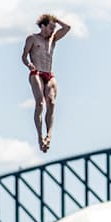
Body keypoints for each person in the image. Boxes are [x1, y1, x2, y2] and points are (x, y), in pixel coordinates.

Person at [22, 13, 71, 152]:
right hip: (36, 72)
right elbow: (24, 56)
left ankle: (49, 136)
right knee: (40, 103)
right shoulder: (32, 38)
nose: (53, 30)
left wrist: (56, 20)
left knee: (51, 102)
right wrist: (29, 65)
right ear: (42, 26)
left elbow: (67, 28)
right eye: (51, 27)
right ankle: (40, 137)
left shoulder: (53, 39)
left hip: (49, 74)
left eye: (54, 28)